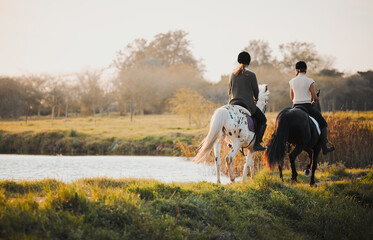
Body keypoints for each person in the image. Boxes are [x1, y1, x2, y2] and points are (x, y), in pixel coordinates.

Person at [289, 61, 335, 154]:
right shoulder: (310, 81)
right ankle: (324, 147)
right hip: (307, 106)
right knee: (323, 124)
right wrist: (313, 101)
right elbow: (314, 97)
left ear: (296, 70)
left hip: (295, 106)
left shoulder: (292, 81)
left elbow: (292, 97)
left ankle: (287, 145)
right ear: (305, 70)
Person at [228, 51, 267, 151]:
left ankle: (230, 141)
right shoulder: (251, 75)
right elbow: (256, 92)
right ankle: (257, 144)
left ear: (238, 61)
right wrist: (256, 99)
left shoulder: (232, 75)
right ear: (248, 62)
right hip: (247, 105)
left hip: (233, 104)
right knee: (263, 120)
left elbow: (229, 91)